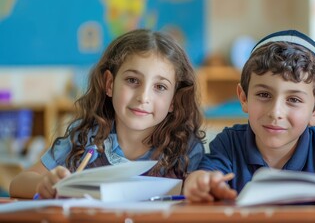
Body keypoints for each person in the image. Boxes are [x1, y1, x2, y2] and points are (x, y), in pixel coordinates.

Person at [183, 29, 315, 202]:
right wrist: (199, 183)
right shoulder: (229, 144)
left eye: (294, 100)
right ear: (243, 98)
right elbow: (199, 177)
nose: (275, 113)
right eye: (263, 95)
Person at [10, 29, 206, 199]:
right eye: (132, 80)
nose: (143, 97)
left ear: (173, 100)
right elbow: (18, 183)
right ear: (110, 84)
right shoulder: (84, 139)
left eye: (160, 86)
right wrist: (45, 184)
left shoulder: (186, 149)